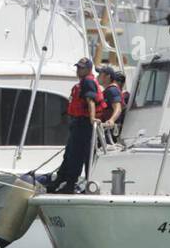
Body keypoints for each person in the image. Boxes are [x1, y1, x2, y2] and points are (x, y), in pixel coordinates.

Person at [42, 58, 105, 194]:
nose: (78, 70)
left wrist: (92, 118)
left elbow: (91, 101)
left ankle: (70, 184)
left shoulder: (88, 81)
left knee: (76, 155)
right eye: (77, 67)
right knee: (70, 154)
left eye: (81, 68)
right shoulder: (83, 82)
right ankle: (60, 181)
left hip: (84, 123)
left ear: (88, 69)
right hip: (78, 122)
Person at [97, 65, 124, 143]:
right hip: (105, 130)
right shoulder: (108, 91)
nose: (98, 76)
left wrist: (111, 120)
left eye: (100, 74)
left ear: (108, 76)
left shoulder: (112, 90)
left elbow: (118, 108)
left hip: (110, 131)